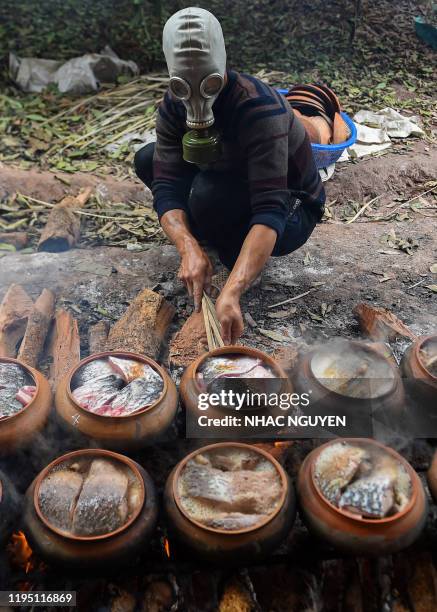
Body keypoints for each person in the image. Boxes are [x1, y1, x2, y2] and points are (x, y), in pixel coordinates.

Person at [134, 7, 325, 345]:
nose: (194, 98)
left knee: (208, 196)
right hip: (231, 181)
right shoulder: (172, 105)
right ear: (170, 74)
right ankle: (211, 238)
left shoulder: (258, 108)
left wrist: (232, 291)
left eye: (208, 84)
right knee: (148, 158)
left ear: (222, 66)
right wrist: (187, 246)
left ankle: (235, 252)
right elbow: (165, 183)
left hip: (292, 211)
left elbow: (271, 208)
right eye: (181, 85)